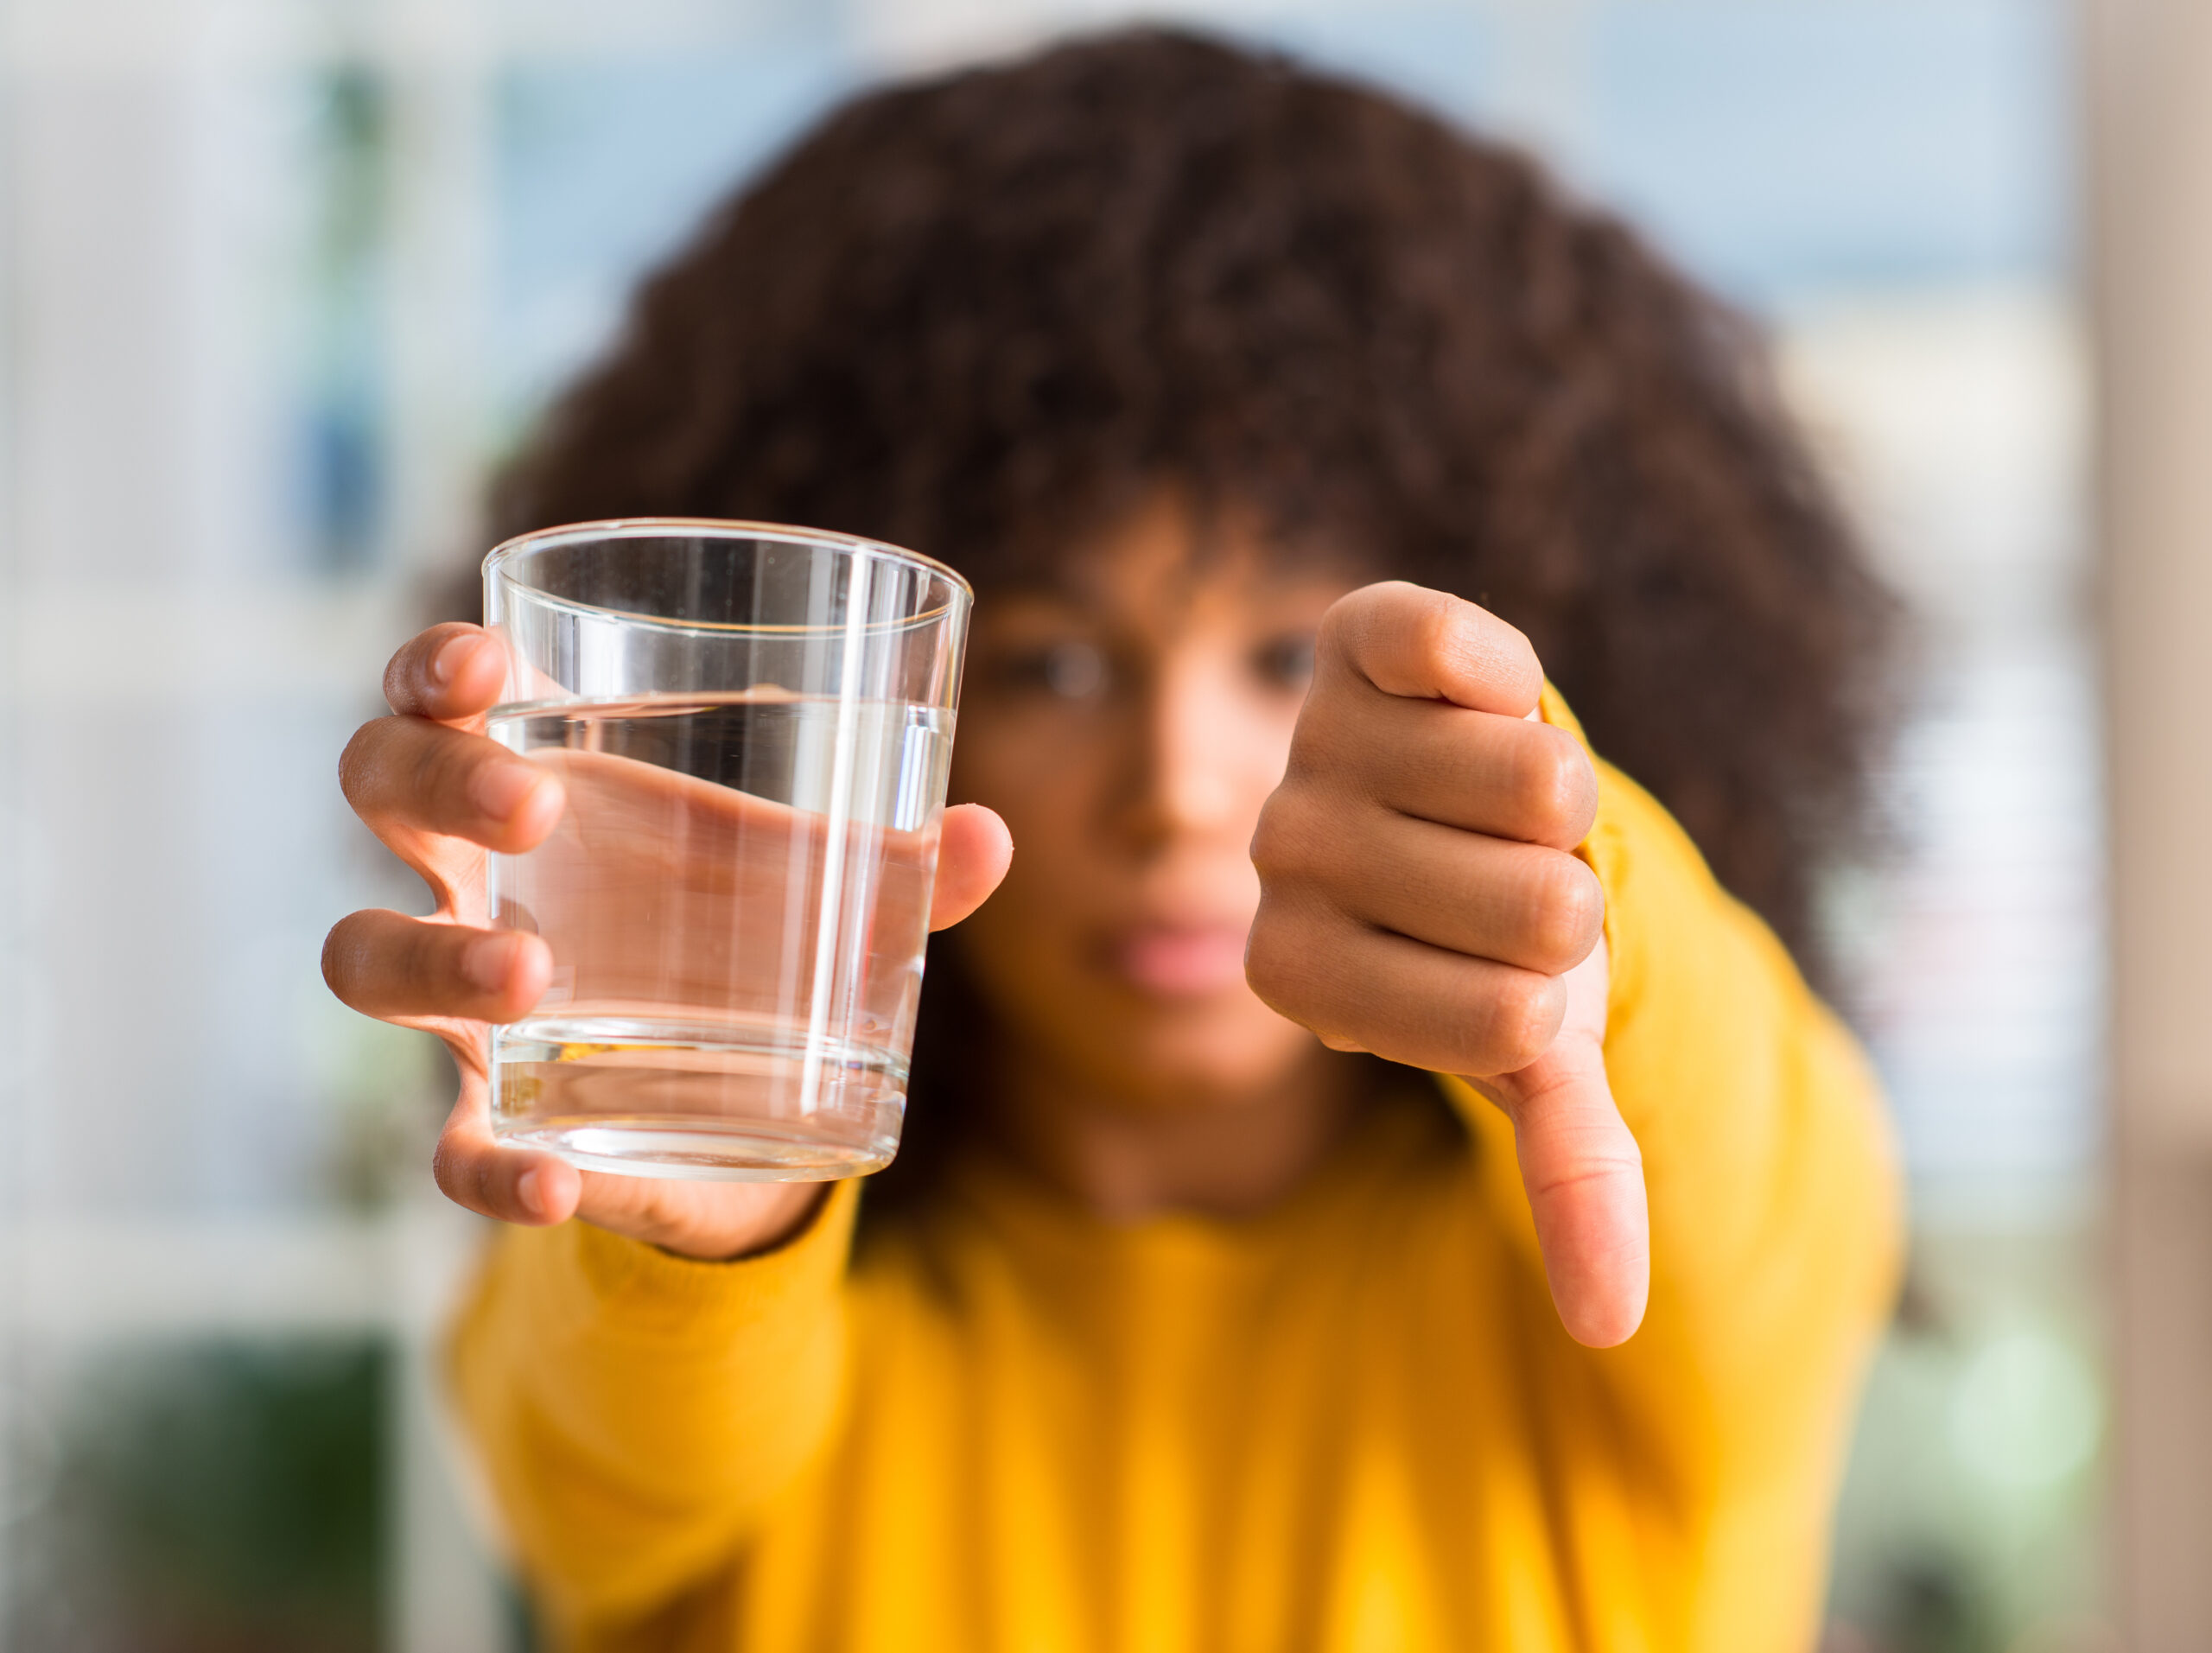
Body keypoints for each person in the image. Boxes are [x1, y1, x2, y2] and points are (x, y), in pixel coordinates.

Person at [323, 29, 1902, 1650]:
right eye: (1059, 665)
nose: (1177, 787)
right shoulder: (707, 1317)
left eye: (1290, 655)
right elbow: (592, 1454)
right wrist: (728, 1169)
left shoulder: (1639, 1291)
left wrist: (1565, 898)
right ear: (880, 735)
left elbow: (1770, 1170)